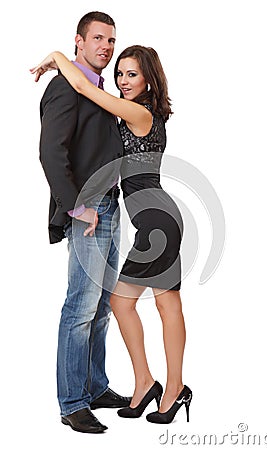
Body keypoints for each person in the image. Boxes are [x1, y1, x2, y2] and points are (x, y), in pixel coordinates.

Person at [31, 44, 192, 425]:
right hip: (157, 220)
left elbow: (87, 90)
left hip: (156, 221)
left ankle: (164, 387)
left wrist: (57, 56)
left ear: (149, 78)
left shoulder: (140, 113)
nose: (123, 80)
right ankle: (155, 386)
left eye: (132, 74)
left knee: (125, 304)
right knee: (163, 305)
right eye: (120, 74)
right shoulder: (138, 113)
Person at [34, 12, 131, 434]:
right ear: (78, 41)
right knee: (80, 307)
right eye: (98, 38)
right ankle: (72, 402)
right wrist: (78, 207)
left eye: (111, 40)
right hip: (88, 213)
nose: (106, 47)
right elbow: (51, 155)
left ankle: (95, 385)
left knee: (104, 306)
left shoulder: (95, 89)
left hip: (111, 207)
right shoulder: (65, 88)